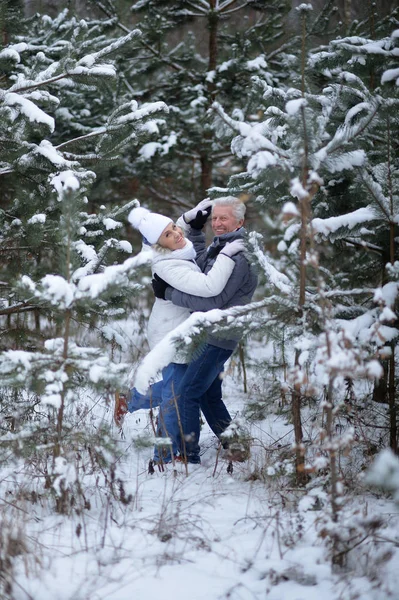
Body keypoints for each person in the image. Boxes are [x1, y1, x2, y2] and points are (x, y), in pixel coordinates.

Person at [114, 203, 244, 464]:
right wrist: (228, 255)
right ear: (158, 245)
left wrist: (187, 221)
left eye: (174, 227)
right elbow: (208, 288)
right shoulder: (168, 265)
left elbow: (178, 242)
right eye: (168, 234)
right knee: (176, 395)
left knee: (182, 389)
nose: (176, 234)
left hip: (188, 330)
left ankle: (131, 400)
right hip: (172, 333)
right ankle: (165, 455)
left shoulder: (177, 249)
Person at [152, 196, 258, 464]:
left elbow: (214, 300)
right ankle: (236, 446)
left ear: (240, 221)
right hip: (210, 333)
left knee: (187, 393)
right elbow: (201, 268)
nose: (218, 223)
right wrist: (196, 233)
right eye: (215, 218)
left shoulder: (239, 255)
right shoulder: (223, 245)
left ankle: (188, 455)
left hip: (218, 335)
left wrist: (170, 294)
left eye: (224, 218)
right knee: (209, 395)